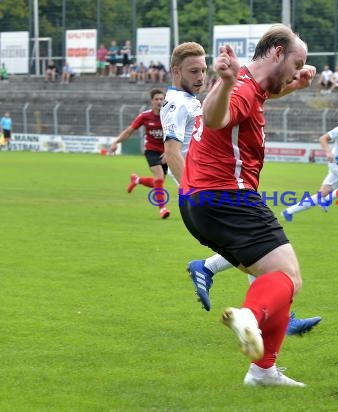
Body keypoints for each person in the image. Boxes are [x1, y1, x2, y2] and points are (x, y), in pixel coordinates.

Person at [178, 24, 316, 387]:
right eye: (296, 62)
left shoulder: (252, 86)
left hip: (198, 202)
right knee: (288, 276)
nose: (298, 70)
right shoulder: (238, 85)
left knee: (278, 279)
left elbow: (263, 92)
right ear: (276, 54)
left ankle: (263, 372)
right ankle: (248, 319)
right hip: (228, 197)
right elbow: (214, 118)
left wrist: (296, 85)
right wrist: (223, 83)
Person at [109, 88, 170, 219]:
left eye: (161, 99)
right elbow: (129, 131)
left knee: (158, 182)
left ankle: (137, 180)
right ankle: (162, 209)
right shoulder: (145, 116)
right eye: (156, 99)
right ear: (151, 101)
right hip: (151, 150)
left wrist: (170, 152)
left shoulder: (170, 116)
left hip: (166, 152)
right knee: (159, 177)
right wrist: (116, 142)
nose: (159, 101)